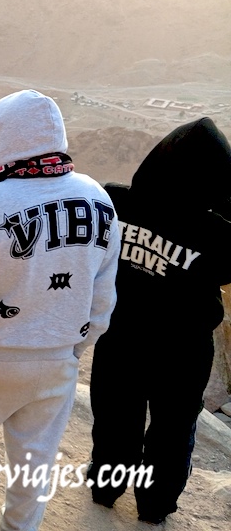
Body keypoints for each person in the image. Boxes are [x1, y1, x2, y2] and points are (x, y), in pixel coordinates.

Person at [0, 89, 119, 531]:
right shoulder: (99, 200)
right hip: (56, 359)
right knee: (36, 460)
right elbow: (103, 293)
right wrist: (76, 347)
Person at [88, 117, 231, 525]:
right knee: (172, 433)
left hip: (120, 337)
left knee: (115, 419)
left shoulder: (117, 202)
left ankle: (105, 488)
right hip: (183, 353)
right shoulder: (218, 235)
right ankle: (154, 508)